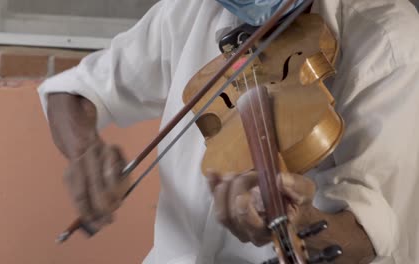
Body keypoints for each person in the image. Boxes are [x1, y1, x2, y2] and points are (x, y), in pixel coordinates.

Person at [38, 0, 419, 263]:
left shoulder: (389, 38)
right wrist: (85, 151)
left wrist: (295, 222)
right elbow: (73, 92)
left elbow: (367, 235)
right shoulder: (194, 9)